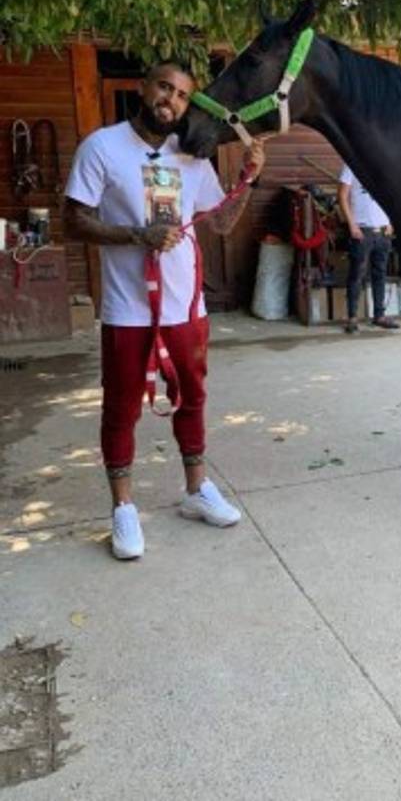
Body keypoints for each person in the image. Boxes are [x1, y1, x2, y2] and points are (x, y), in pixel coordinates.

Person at [63, 60, 266, 561]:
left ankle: (197, 491)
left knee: (192, 399)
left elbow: (219, 224)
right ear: (143, 87)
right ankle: (124, 509)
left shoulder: (192, 157)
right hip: (129, 311)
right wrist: (137, 235)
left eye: (180, 95)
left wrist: (248, 178)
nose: (170, 100)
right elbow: (73, 222)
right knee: (122, 409)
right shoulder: (102, 147)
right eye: (164, 87)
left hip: (186, 307)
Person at [336, 163, 400, 333]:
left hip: (383, 231)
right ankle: (352, 318)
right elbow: (342, 195)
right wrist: (352, 225)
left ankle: (379, 315)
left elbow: (393, 195)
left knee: (380, 274)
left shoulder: (380, 164)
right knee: (357, 274)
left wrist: (391, 222)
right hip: (362, 230)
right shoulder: (350, 165)